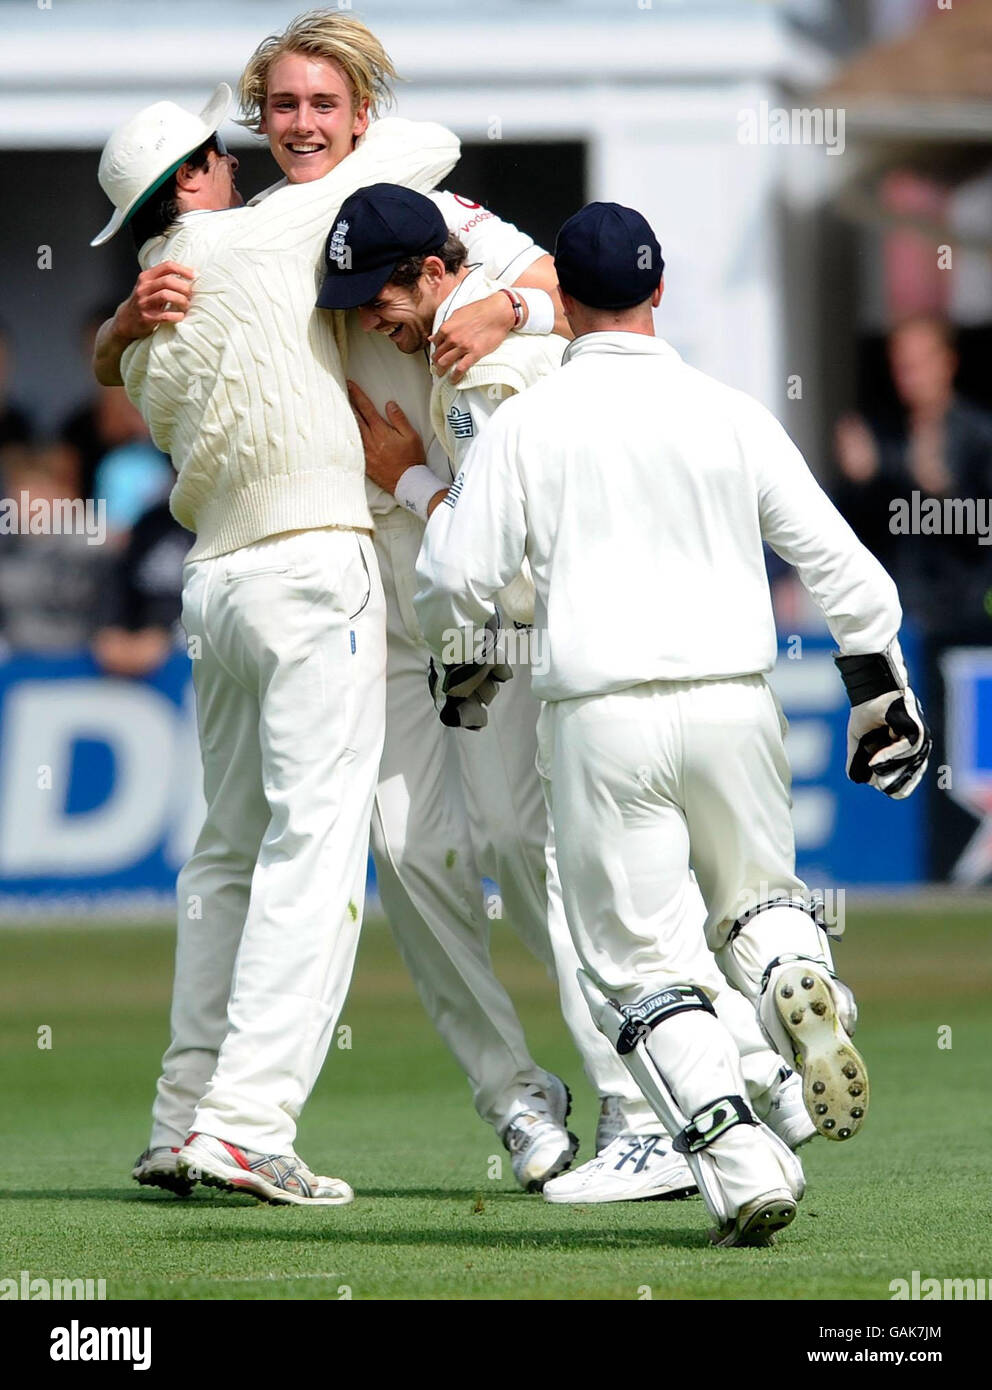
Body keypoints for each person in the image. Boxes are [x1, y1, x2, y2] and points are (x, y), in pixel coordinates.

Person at [98, 10, 620, 1194]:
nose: (294, 127)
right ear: (224, 151)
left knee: (475, 844)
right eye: (276, 108)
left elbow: (557, 283)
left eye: (321, 106)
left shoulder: (171, 307)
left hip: (405, 580)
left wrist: (511, 310)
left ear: (358, 115)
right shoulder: (276, 231)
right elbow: (419, 143)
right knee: (382, 846)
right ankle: (478, 1105)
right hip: (339, 574)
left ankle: (644, 1081)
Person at [413, 202, 931, 1245]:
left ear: (559, 296)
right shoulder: (728, 411)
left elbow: (456, 578)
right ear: (659, 292)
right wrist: (881, 695)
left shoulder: (526, 423)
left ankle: (739, 1167)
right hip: (735, 700)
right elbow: (845, 570)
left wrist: (461, 657)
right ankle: (794, 975)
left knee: (638, 962)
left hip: (599, 715)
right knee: (755, 904)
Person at [321, 182, 812, 1204]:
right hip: (582, 650)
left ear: (437, 267)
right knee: (550, 862)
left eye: (383, 293)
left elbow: (503, 546)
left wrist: (412, 481)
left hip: (563, 649)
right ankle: (758, 1063)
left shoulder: (486, 367)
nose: (373, 316)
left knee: (562, 872)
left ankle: (655, 1116)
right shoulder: (502, 326)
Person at [91, 68, 460, 1206]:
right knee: (313, 847)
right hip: (310, 568)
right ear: (191, 184)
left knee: (227, 853)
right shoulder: (257, 237)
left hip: (217, 590)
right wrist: (322, 122)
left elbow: (124, 341)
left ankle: (182, 1115)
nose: (249, 155)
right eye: (221, 149)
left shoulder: (146, 323)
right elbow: (431, 145)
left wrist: (111, 323)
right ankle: (247, 1125)